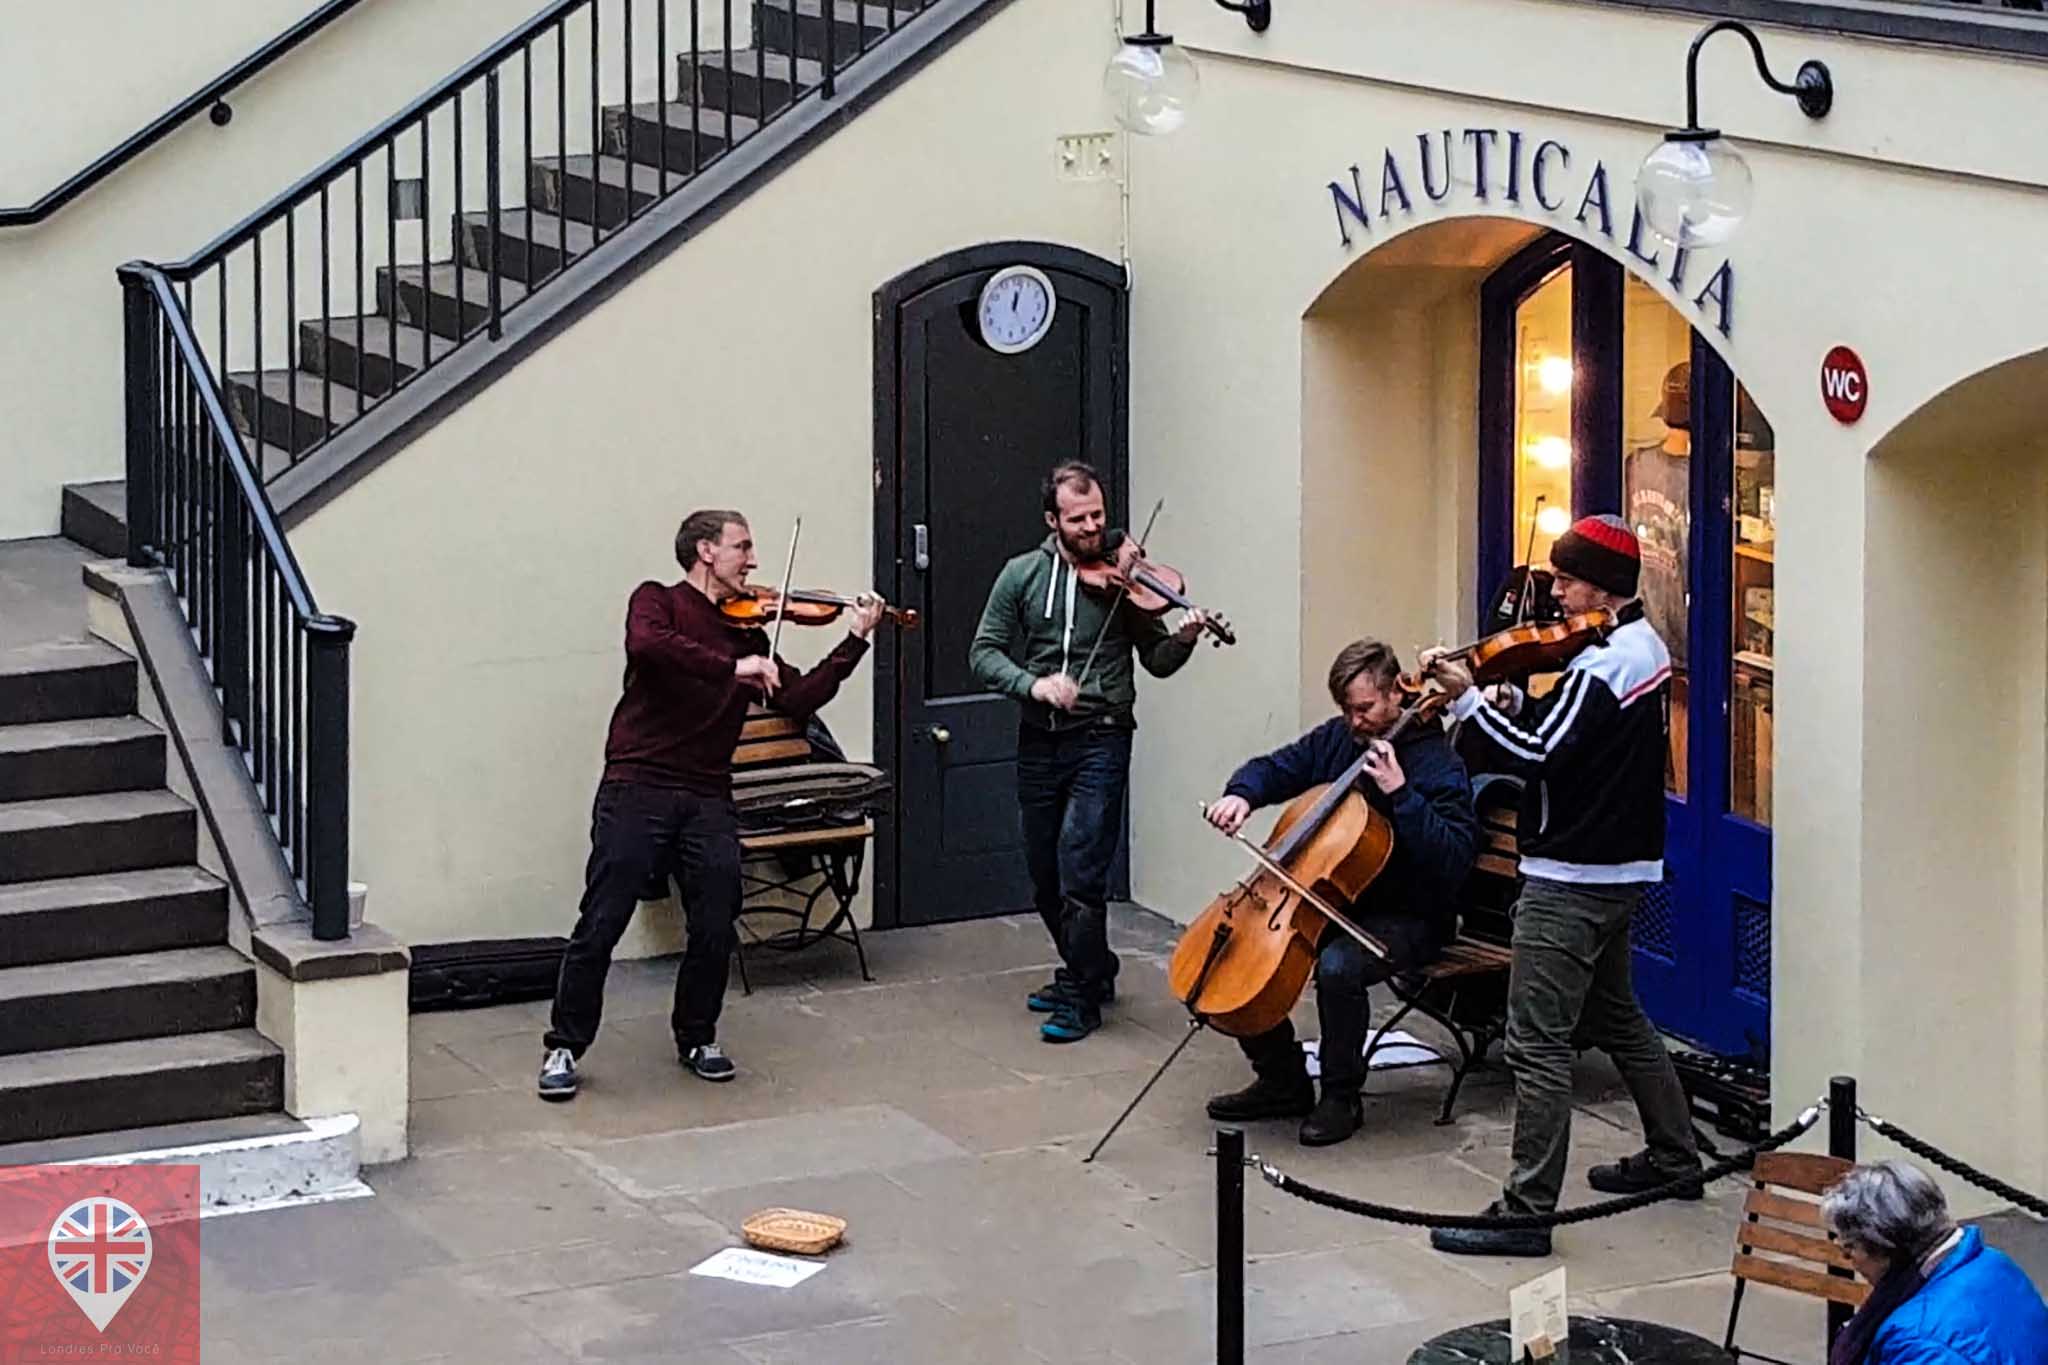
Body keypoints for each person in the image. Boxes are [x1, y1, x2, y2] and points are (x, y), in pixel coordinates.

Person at [1422, 513, 1704, 1257]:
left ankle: (1527, 1209)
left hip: (1572, 875)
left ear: (1604, 591)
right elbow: (1569, 731)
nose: (1554, 590)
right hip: (1621, 869)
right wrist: (1507, 698)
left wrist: (1466, 701)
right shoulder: (1635, 645)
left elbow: (1541, 751)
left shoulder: (1603, 661)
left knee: (1535, 1040)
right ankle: (1675, 1157)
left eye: (1568, 578)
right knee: (1619, 1016)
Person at [538, 510, 882, 1101]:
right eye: (742, 547)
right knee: (602, 918)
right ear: (705, 551)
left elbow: (797, 698)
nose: (752, 560)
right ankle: (564, 1046)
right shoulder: (658, 602)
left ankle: (697, 1035)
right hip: (637, 784)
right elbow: (649, 648)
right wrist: (732, 668)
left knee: (717, 918)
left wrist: (854, 640)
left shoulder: (749, 631)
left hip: (706, 792)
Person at [969, 461, 1221, 1044]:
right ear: (1051, 520)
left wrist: (1183, 636)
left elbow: (1156, 661)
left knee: (1081, 868)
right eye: (1078, 519)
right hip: (1039, 735)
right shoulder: (1022, 576)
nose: (1093, 529)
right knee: (1043, 874)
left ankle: (1081, 999)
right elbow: (983, 651)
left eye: (1099, 516)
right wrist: (1033, 685)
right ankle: (1093, 968)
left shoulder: (1127, 581)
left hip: (1103, 734)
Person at [1201, 639, 1477, 1146]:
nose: (1354, 722)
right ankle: (1282, 1078)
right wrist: (1241, 793)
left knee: (1338, 968)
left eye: (1364, 709)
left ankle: (1340, 1096)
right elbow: (1279, 766)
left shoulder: (1435, 762)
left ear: (1398, 692)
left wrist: (1400, 793)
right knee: (1232, 952)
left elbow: (1452, 858)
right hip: (1338, 900)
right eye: (1346, 710)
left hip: (1413, 914)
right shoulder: (1340, 740)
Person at [1821, 1159, 2048, 1364]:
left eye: (1850, 1248)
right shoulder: (1994, 1263)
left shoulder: (1917, 1341)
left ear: (1886, 1245)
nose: (1847, 1258)